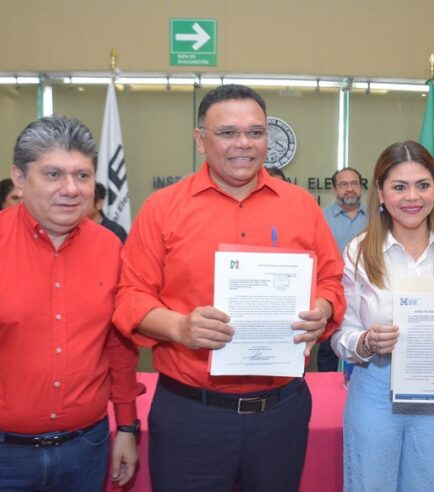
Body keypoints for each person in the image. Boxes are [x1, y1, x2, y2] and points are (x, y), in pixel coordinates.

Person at [113, 84, 345, 492]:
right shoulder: (163, 208)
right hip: (191, 414)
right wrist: (181, 327)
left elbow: (330, 279)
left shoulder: (300, 205)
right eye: (227, 133)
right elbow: (130, 297)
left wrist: (323, 308)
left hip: (281, 413)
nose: (243, 144)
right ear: (200, 140)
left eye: (255, 132)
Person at [0, 115, 144, 492]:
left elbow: (119, 348)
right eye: (53, 174)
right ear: (18, 177)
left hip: (85, 451)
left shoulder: (110, 247)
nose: (71, 189)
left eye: (82, 176)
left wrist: (127, 426)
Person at [331, 140, 434, 491]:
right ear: (380, 191)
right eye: (399, 187)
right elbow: (341, 335)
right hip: (376, 389)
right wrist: (367, 341)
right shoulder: (358, 250)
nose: (412, 197)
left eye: (423, 185)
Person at [318, 167, 368, 372]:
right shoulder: (321, 217)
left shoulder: (379, 216)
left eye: (354, 184)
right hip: (333, 291)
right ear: (334, 189)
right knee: (328, 348)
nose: (350, 189)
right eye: (343, 185)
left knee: (365, 344)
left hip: (368, 291)